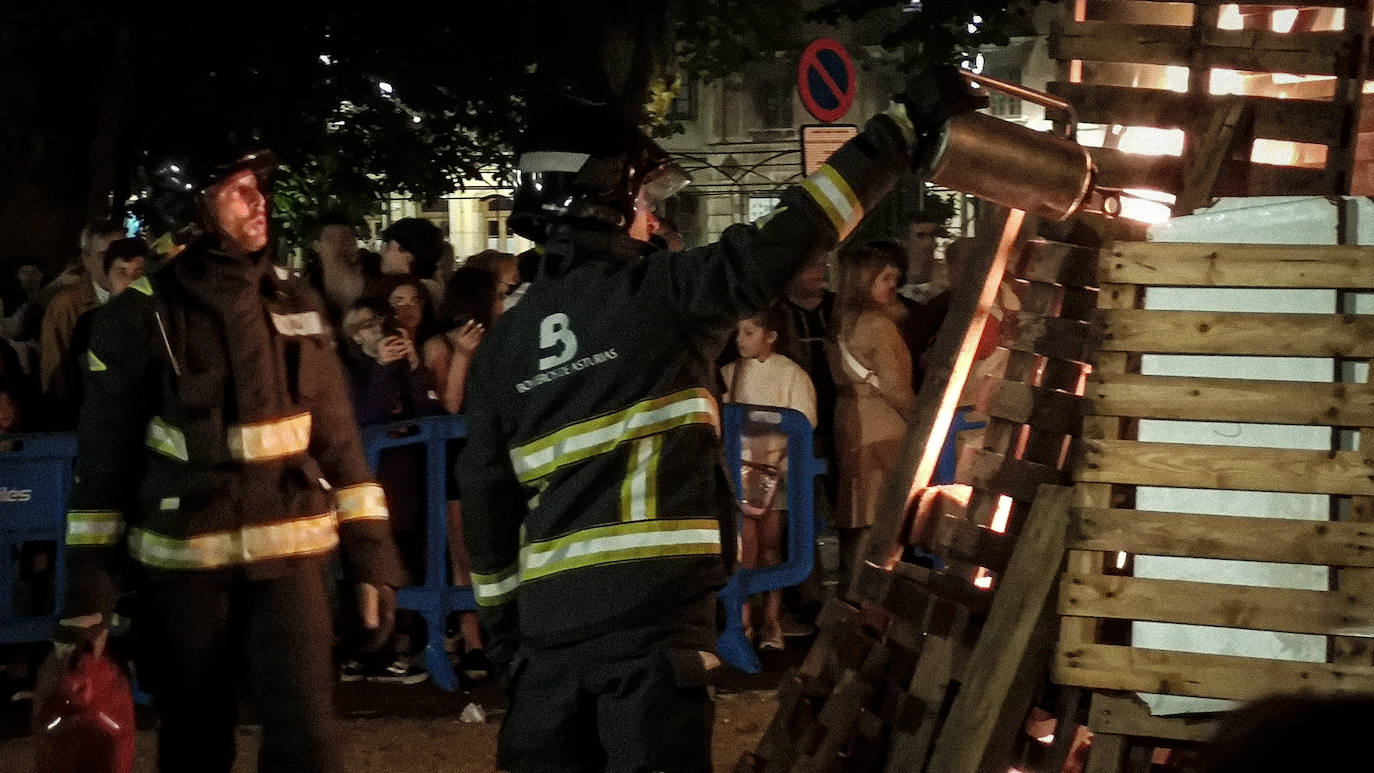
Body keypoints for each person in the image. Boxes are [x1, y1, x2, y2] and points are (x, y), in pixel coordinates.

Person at [457, 68, 963, 770]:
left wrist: (512, 643)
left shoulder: (502, 346)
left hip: (547, 643)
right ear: (602, 199)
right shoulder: (663, 294)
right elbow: (796, 232)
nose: (654, 219)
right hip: (652, 625)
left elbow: (484, 504)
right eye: (642, 200)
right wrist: (898, 134)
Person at [54, 141, 407, 771]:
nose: (259, 201)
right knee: (195, 748)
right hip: (182, 580)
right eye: (237, 189)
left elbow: (341, 445)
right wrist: (88, 603)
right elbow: (102, 471)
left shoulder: (294, 300)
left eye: (258, 186)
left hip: (294, 569)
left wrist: (374, 560)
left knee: (308, 746)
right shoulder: (138, 318)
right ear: (192, 207)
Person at [422, 265, 504, 681]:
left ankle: (504, 636)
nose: (505, 301)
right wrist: (464, 356)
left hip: (498, 452)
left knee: (503, 543)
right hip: (456, 456)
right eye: (500, 293)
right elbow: (451, 405)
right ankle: (473, 641)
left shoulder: (502, 338)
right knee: (463, 550)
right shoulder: (440, 344)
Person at [720, 304, 817, 652]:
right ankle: (744, 619)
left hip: (778, 474)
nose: (740, 339)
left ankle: (771, 620)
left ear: (770, 336)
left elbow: (805, 422)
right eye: (738, 332)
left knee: (772, 547)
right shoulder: (729, 374)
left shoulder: (792, 375)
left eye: (748, 332)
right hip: (738, 475)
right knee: (745, 548)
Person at [828, 245, 916, 591]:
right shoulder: (879, 325)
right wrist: (921, 422)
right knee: (882, 517)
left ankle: (850, 593)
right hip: (882, 426)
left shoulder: (840, 321)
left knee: (856, 516)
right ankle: (870, 597)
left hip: (848, 420)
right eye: (886, 278)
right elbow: (895, 389)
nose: (893, 286)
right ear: (866, 282)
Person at [38, 219, 124, 429]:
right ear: (86, 259)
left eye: (121, 253)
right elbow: (56, 374)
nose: (115, 263)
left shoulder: (140, 298)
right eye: (105, 256)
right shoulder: (67, 306)